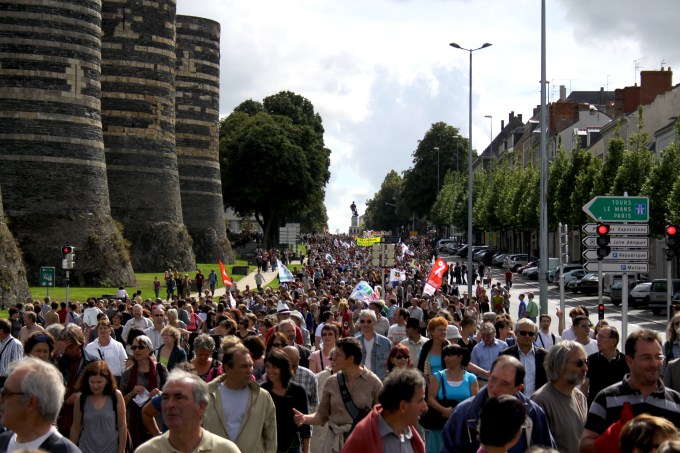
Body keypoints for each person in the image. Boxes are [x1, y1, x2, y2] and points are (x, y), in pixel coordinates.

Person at [580, 329, 680, 453]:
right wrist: (614, 439)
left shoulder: (676, 402)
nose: (654, 363)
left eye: (658, 357)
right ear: (629, 361)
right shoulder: (606, 398)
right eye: (646, 357)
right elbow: (584, 445)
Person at [441, 355, 556, 453]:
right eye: (493, 380)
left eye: (505, 384)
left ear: (518, 388)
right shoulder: (463, 413)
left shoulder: (532, 413)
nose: (495, 389)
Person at [294, 337, 383, 452]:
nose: (333, 358)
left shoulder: (373, 383)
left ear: (351, 359)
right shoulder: (332, 382)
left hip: (361, 443)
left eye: (338, 355)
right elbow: (321, 416)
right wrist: (304, 418)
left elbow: (383, 418)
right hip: (334, 444)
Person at [136, 368, 240, 453]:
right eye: (165, 397)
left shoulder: (226, 450)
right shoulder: (146, 451)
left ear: (201, 406)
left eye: (179, 397)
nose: (170, 405)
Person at [202, 342, 277, 453]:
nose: (249, 370)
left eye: (251, 365)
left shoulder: (263, 397)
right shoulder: (206, 395)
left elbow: (271, 437)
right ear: (227, 368)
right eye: (244, 366)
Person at [0, 357, 82, 453]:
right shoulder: (3, 442)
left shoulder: (64, 451)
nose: (1, 399)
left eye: (6, 393)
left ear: (31, 403)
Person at [341, 368, 427, 453]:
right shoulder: (362, 438)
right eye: (420, 400)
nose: (425, 407)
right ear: (403, 406)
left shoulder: (414, 439)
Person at [530, 341, 588, 453]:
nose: (585, 368)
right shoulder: (540, 401)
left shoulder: (580, 397)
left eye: (586, 362)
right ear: (560, 367)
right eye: (579, 363)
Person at [426, 344, 478, 453]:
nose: (446, 358)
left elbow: (475, 402)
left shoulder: (471, 378)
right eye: (445, 355)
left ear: (460, 357)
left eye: (450, 355)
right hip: (441, 425)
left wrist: (460, 412)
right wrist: (443, 410)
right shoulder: (438, 376)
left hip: (463, 426)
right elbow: (430, 399)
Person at [120, 334, 168, 449]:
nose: (136, 350)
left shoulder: (160, 370)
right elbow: (120, 403)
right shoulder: (128, 374)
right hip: (134, 424)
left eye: (140, 347)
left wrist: (159, 394)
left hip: (156, 422)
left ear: (149, 349)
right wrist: (131, 394)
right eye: (134, 347)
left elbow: (170, 396)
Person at [69, 361, 127, 453]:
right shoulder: (81, 399)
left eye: (99, 382)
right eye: (92, 382)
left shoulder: (116, 396)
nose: (95, 386)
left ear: (107, 380)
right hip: (85, 449)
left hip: (111, 450)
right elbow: (75, 427)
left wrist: (122, 450)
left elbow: (122, 426)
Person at [262, 349, 310, 453]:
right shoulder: (263, 391)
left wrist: (306, 451)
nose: (270, 371)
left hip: (293, 447)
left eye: (274, 367)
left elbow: (305, 426)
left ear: (283, 368)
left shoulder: (298, 391)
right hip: (269, 447)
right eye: (267, 367)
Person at [581, 325, 629, 406]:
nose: (598, 340)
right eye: (597, 336)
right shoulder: (592, 359)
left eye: (601, 337)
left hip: (618, 408)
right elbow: (584, 386)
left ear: (613, 341)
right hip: (597, 408)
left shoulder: (625, 361)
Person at [500, 318, 547, 396]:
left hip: (537, 404)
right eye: (523, 333)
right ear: (516, 333)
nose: (527, 336)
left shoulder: (544, 356)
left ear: (535, 336)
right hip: (513, 403)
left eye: (531, 333)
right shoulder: (505, 355)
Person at [85, 319, 128, 384]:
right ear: (97, 330)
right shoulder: (89, 347)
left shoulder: (118, 345)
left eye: (105, 328)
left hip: (115, 380)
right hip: (95, 381)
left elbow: (124, 364)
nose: (102, 330)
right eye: (100, 328)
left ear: (110, 330)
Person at [356, 309, 392, 380]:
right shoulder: (354, 343)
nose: (365, 324)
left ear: (375, 322)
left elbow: (391, 365)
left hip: (380, 383)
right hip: (359, 383)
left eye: (369, 321)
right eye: (362, 321)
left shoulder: (386, 342)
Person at [0, 318, 24, 387]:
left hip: (7, 381)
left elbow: (17, 365)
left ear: (1, 331)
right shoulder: (1, 341)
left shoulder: (15, 344)